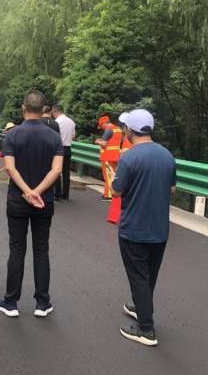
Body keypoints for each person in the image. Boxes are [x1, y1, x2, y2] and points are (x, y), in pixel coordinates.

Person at [0, 91, 63, 318]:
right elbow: (57, 170)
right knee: (41, 250)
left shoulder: (12, 135)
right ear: (44, 110)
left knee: (17, 249)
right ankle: (42, 303)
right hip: (45, 202)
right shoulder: (53, 137)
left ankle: (11, 302)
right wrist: (38, 192)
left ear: (23, 108)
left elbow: (10, 168)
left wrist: (27, 191)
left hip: (18, 200)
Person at [111, 109, 176, 346]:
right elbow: (172, 190)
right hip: (160, 228)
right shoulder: (167, 155)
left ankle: (146, 329)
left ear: (130, 130)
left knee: (138, 276)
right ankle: (140, 307)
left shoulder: (129, 157)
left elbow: (116, 191)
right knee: (149, 274)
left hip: (134, 228)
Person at [95, 114, 122, 201]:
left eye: (102, 126)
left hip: (107, 157)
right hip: (115, 156)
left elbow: (104, 144)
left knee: (108, 176)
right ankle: (109, 193)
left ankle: (109, 195)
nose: (102, 128)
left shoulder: (108, 130)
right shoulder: (118, 129)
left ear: (104, 123)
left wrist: (98, 142)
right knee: (113, 175)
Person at [52, 105, 75, 200]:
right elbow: (73, 136)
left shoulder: (56, 122)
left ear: (55, 111)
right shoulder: (71, 122)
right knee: (66, 172)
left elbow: (54, 136)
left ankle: (57, 194)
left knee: (56, 170)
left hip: (59, 148)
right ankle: (66, 194)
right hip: (68, 148)